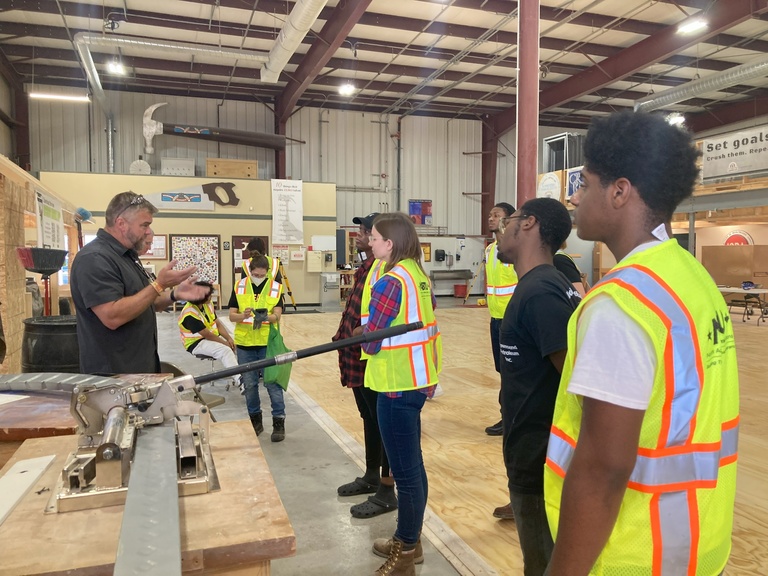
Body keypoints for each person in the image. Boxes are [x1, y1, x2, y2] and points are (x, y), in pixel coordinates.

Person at [544, 111, 739, 576]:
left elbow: (603, 469)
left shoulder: (621, 304)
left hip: (630, 555)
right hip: (698, 548)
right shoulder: (691, 277)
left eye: (584, 184)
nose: (574, 196)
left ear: (619, 191)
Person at [494, 198, 581, 575]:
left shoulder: (541, 293)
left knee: (542, 564)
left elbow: (577, 380)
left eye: (507, 221)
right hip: (535, 453)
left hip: (541, 461)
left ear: (527, 224)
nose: (500, 229)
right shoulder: (544, 285)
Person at [362, 212, 442, 576]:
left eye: (375, 238)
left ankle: (406, 552)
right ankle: (412, 539)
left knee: (406, 474)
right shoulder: (416, 275)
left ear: (390, 243)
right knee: (413, 467)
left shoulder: (391, 281)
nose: (370, 242)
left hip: (395, 384)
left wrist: (363, 333)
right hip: (416, 380)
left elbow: (374, 340)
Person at [71, 191, 207, 374]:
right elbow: (112, 316)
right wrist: (159, 285)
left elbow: (145, 302)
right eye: (144, 225)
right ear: (121, 223)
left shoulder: (128, 256)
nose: (148, 232)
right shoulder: (95, 258)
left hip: (140, 368)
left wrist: (175, 294)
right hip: (112, 376)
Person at [332, 213, 398, 519]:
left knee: (383, 425)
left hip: (373, 357)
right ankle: (372, 474)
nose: (361, 237)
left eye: (367, 233)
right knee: (370, 419)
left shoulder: (386, 270)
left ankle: (386, 487)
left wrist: (360, 332)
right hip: (356, 355)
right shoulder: (368, 266)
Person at [229, 254, 286, 442]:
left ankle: (279, 422)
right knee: (250, 385)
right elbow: (231, 316)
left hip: (267, 343)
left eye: (261, 275)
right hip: (245, 344)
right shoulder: (239, 286)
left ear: (267, 272)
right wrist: (243, 316)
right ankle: (256, 421)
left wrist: (266, 318)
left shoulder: (276, 288)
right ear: (250, 271)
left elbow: (277, 314)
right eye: (255, 274)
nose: (258, 277)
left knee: (273, 383)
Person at [485, 202, 519, 439]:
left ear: (508, 220)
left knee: (513, 371)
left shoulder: (516, 248)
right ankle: (507, 416)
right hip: (495, 319)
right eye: (490, 214)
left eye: (496, 215)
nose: (491, 218)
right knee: (502, 370)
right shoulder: (489, 250)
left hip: (513, 319)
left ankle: (511, 419)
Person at [177, 281, 241, 390]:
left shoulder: (208, 304)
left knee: (240, 342)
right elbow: (207, 335)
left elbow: (217, 323)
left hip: (211, 337)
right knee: (225, 350)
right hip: (196, 343)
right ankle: (241, 379)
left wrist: (229, 339)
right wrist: (225, 343)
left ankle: (248, 372)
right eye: (209, 295)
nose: (211, 296)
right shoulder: (189, 314)